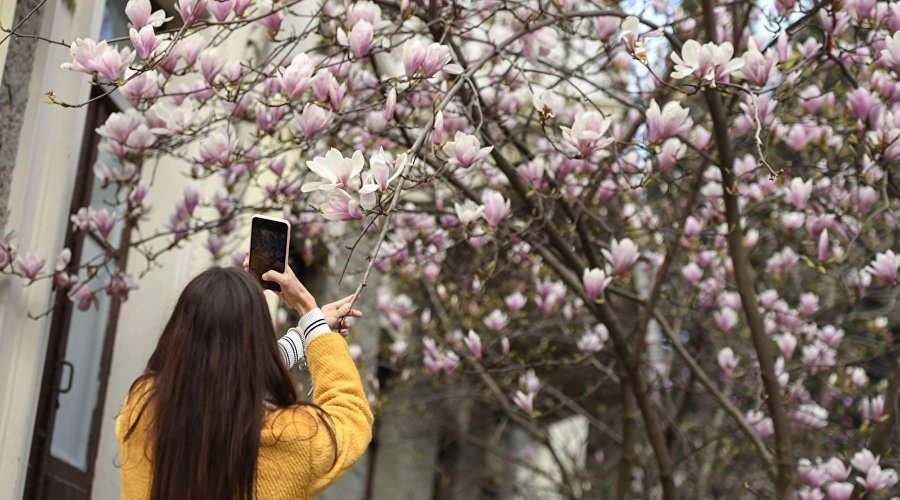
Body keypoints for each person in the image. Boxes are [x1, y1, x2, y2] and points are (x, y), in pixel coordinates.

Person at [115, 264, 372, 500]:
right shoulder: (289, 437)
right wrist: (309, 314)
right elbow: (350, 415)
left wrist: (304, 335)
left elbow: (222, 371)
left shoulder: (142, 410)